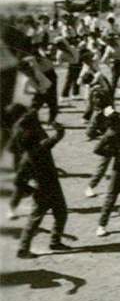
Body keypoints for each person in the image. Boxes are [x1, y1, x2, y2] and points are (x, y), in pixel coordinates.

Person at [14, 104, 70, 258]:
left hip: (44, 187)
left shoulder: (27, 155)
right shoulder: (40, 147)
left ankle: (50, 243)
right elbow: (56, 137)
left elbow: (18, 180)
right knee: (51, 215)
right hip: (48, 187)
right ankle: (25, 249)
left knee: (46, 216)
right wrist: (58, 128)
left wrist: (29, 189)